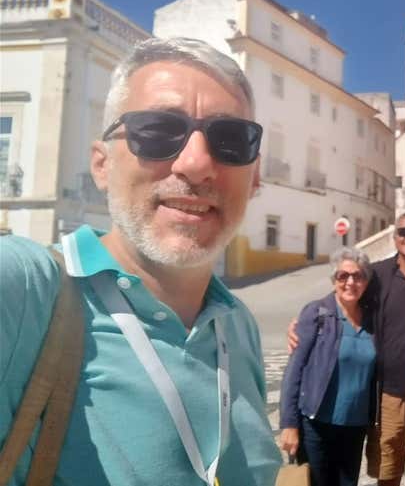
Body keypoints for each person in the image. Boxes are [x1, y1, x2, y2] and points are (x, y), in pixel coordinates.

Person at [0, 37, 282, 485]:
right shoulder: (29, 291)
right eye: (157, 131)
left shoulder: (237, 324)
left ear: (255, 177)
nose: (196, 163)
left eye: (230, 140)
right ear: (102, 164)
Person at [288, 210, 405, 485]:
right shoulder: (378, 274)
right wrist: (306, 318)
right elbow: (345, 291)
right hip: (387, 394)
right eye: (404, 231)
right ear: (394, 237)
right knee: (387, 473)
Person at [279, 247, 376, 486]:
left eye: (358, 276)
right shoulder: (317, 312)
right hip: (316, 424)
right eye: (343, 276)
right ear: (334, 280)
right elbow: (295, 369)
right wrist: (289, 424)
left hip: (354, 427)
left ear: (366, 282)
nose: (350, 282)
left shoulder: (373, 319)